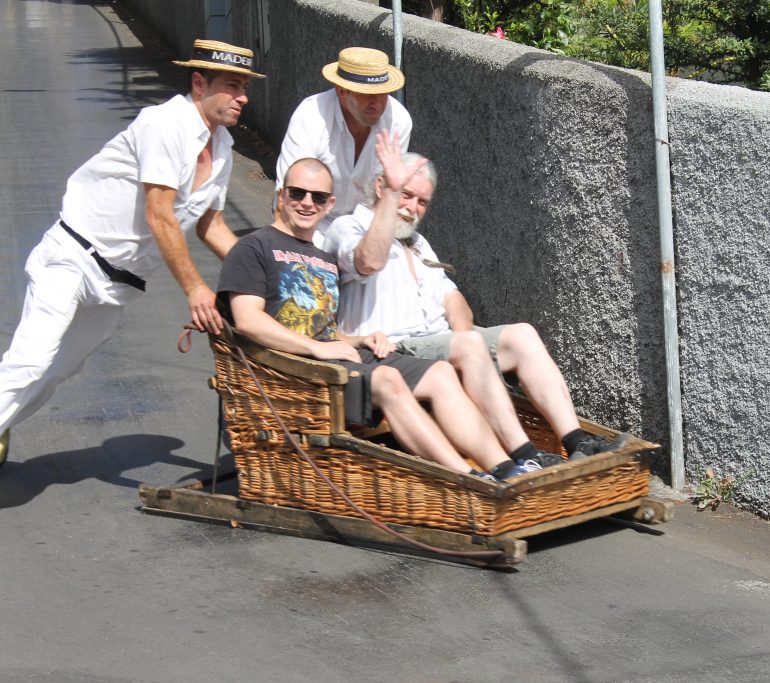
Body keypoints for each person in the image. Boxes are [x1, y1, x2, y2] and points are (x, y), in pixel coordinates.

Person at [0, 39, 263, 468]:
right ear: (200, 83)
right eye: (233, 86)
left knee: (55, 374)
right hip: (73, 257)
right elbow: (160, 214)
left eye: (245, 88)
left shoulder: (223, 150)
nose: (243, 97)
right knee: (31, 362)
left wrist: (263, 274)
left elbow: (210, 225)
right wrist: (196, 288)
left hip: (118, 286)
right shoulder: (164, 124)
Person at [218, 157, 534, 481]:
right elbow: (248, 321)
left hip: (338, 357)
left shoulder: (322, 259)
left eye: (318, 197)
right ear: (282, 195)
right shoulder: (253, 248)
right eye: (298, 193)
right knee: (388, 379)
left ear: (330, 204)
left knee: (440, 372)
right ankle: (468, 479)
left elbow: (323, 329)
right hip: (295, 370)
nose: (307, 202)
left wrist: (359, 340)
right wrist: (315, 349)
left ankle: (508, 469)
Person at [320, 133, 625, 469]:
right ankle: (525, 455)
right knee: (468, 346)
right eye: (405, 195)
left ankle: (577, 441)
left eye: (422, 202)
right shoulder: (349, 226)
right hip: (392, 348)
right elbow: (368, 262)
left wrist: (464, 335)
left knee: (521, 334)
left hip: (438, 343)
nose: (411, 208)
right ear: (382, 187)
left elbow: (452, 297)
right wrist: (465, 346)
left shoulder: (417, 243)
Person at [275, 46, 411, 229]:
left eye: (383, 93)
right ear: (341, 91)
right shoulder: (311, 114)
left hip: (363, 225)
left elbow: (387, 194)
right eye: (367, 94)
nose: (377, 104)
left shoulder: (398, 121)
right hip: (309, 217)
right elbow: (290, 195)